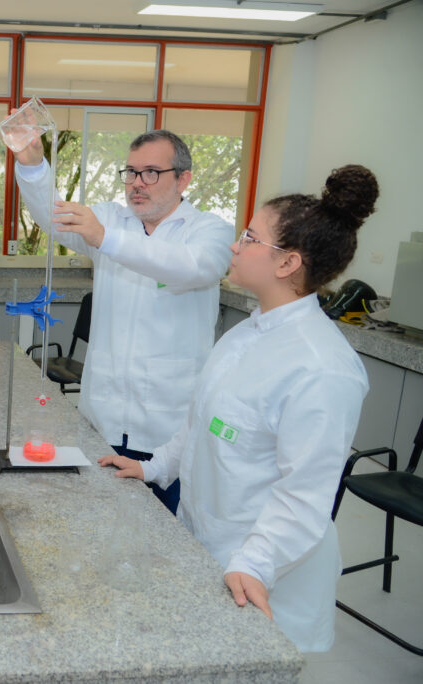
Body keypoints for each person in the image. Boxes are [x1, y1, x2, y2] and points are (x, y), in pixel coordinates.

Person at [99, 165, 378, 652]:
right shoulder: (245, 333)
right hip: (206, 541)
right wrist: (154, 467)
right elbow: (201, 424)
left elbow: (304, 494)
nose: (234, 245)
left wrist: (255, 562)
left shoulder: (323, 368)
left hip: (263, 573)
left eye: (250, 237)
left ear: (287, 263)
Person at [14, 128, 233, 513]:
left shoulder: (208, 231)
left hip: (168, 428)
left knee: (165, 537)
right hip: (103, 416)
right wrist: (32, 166)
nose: (136, 183)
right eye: (130, 172)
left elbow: (191, 267)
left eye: (151, 172)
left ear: (183, 178)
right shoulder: (113, 219)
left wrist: (106, 238)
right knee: (100, 525)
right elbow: (55, 217)